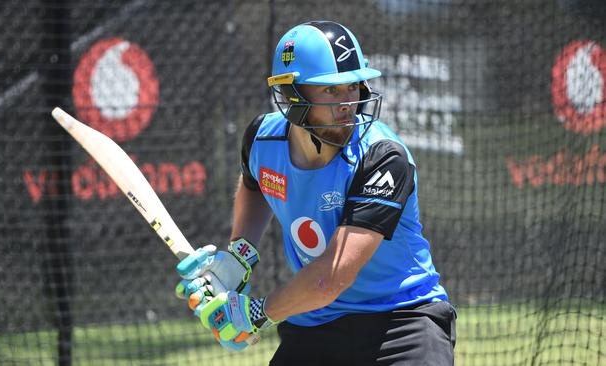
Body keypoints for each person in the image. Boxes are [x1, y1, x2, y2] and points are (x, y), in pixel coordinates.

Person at [175, 20, 456, 365]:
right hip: (315, 324)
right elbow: (256, 184)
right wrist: (240, 256)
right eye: (331, 91)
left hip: (401, 322)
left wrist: (254, 314)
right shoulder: (262, 140)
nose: (348, 104)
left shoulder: (383, 157)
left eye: (353, 87)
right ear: (293, 95)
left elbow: (330, 278)